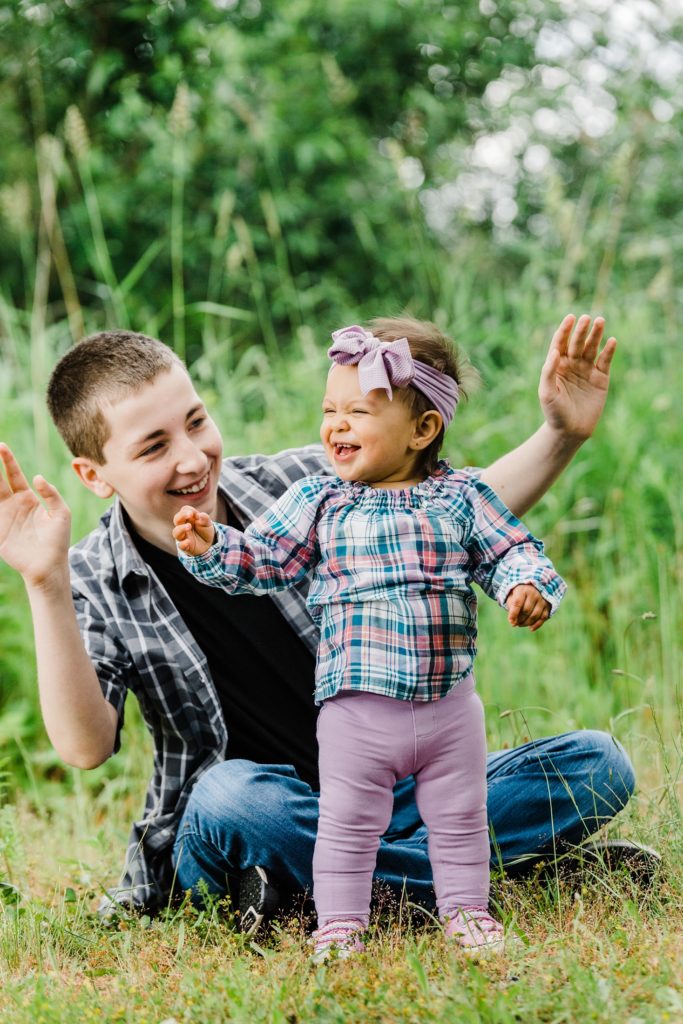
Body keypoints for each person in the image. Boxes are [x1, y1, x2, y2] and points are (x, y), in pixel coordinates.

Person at [0, 314, 643, 936]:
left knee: (596, 764)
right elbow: (85, 748)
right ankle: (481, 882)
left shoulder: (305, 482)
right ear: (94, 475)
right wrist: (44, 582)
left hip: (388, 794)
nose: (193, 458)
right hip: (247, 824)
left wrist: (561, 433)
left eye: (196, 421)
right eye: (153, 447)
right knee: (233, 796)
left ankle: (316, 893)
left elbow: (455, 513)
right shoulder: (93, 577)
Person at [172, 318, 567, 958]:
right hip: (358, 710)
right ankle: (341, 924)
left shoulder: (463, 497)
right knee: (346, 826)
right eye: (330, 410)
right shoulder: (321, 501)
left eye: (358, 410)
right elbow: (265, 559)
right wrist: (213, 544)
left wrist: (527, 588)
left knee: (462, 818)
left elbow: (510, 552)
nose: (337, 425)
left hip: (448, 708)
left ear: (423, 429)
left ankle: (467, 913)